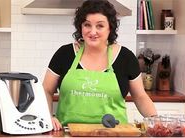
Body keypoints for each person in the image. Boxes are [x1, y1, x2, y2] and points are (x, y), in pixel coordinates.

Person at [43, 0, 157, 131]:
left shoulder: (125, 57)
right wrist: (47, 116)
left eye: (100, 26)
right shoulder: (64, 54)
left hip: (114, 133)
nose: (92, 32)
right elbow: (46, 90)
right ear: (80, 27)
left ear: (110, 28)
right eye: (87, 25)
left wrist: (155, 121)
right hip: (68, 133)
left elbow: (140, 96)